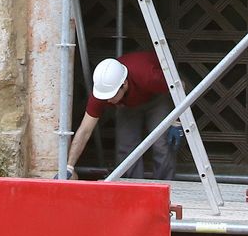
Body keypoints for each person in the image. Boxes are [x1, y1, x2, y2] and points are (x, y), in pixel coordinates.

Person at [63, 52, 177, 181]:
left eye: (111, 95)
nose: (107, 100)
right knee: (126, 145)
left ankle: (166, 186)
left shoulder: (150, 77)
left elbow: (179, 86)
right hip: (127, 104)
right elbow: (84, 130)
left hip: (157, 97)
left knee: (161, 143)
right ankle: (133, 187)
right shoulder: (103, 91)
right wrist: (69, 167)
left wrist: (176, 120)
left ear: (125, 84)